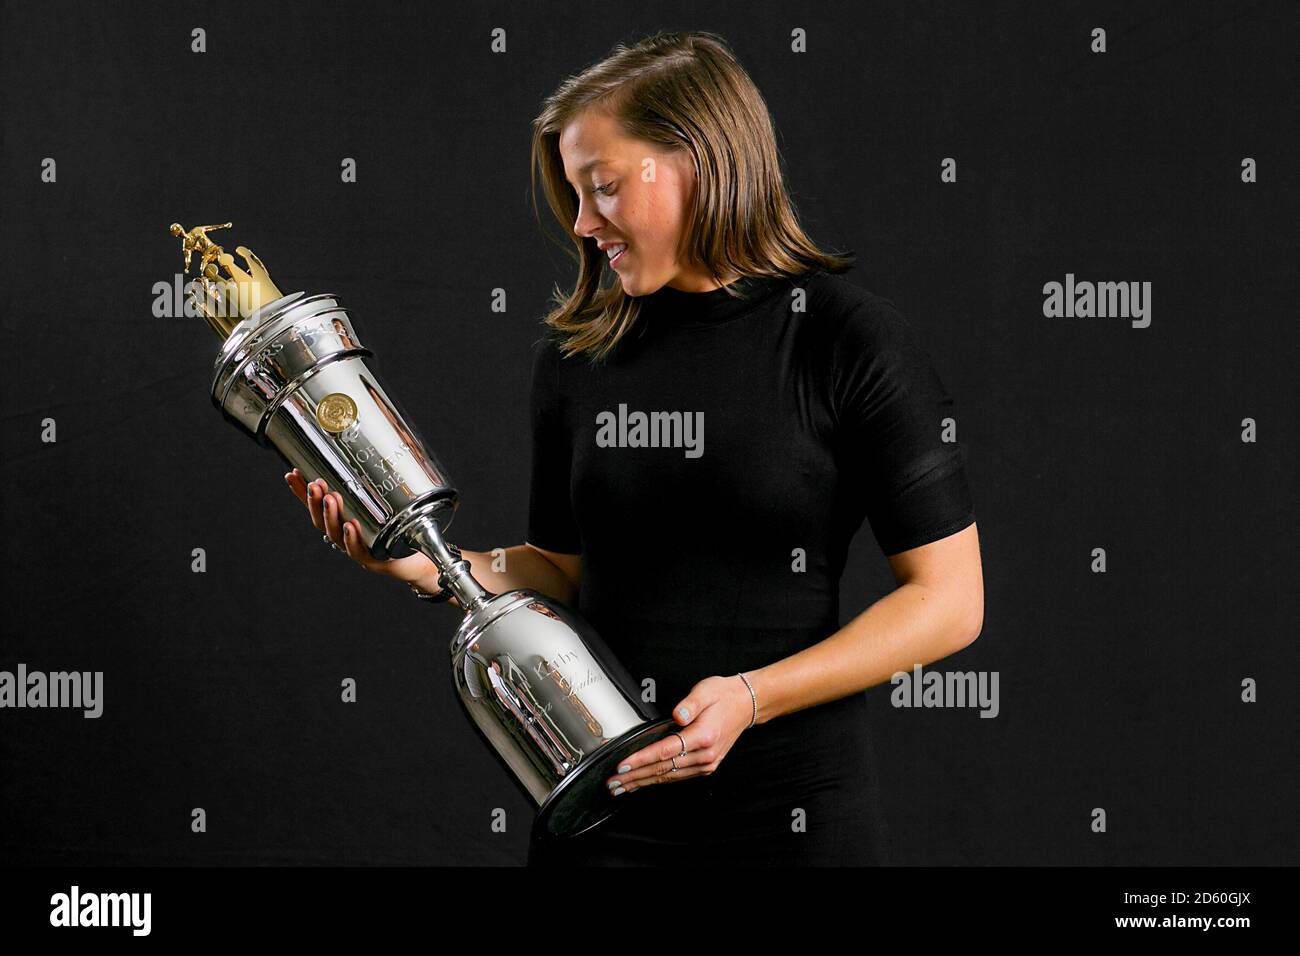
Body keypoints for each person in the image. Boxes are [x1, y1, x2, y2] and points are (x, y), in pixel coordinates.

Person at [286, 30, 983, 866]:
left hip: (794, 817)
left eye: (603, 188)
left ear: (698, 159)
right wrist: (416, 564)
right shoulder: (575, 358)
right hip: (604, 813)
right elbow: (560, 568)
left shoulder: (849, 341)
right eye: (575, 197)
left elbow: (948, 603)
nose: (583, 225)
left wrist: (751, 698)